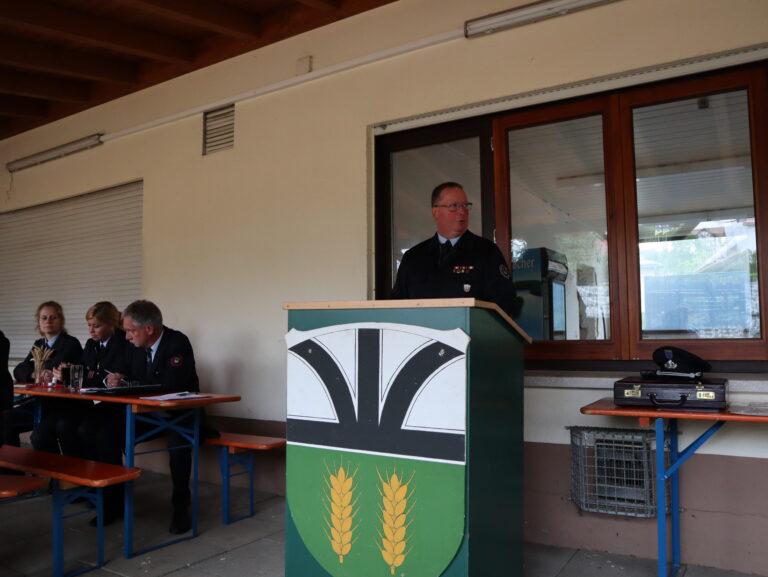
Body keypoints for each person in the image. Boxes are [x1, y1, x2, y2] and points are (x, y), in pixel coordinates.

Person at [106, 299, 199, 534]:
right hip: (146, 415)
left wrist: (130, 382)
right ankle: (114, 501)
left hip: (179, 414)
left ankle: (180, 506)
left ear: (148, 328)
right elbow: (122, 371)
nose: (127, 336)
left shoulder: (177, 342)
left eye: (130, 331)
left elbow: (170, 384)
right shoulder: (134, 346)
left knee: (179, 447)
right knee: (105, 433)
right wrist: (115, 378)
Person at [51, 302, 133, 525]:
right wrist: (64, 372)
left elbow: (108, 375)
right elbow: (82, 372)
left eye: (96, 326)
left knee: (94, 431)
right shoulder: (91, 344)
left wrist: (90, 376)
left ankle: (112, 499)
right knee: (64, 426)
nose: (91, 330)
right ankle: (83, 485)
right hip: (97, 403)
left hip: (119, 406)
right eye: (89, 325)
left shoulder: (124, 343)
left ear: (111, 324)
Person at [391, 181, 522, 317]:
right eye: (454, 206)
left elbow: (505, 305)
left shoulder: (487, 252)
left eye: (465, 205)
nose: (462, 211)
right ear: (435, 212)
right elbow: (396, 307)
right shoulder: (413, 258)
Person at [5, 302, 82, 448]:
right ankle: (12, 463)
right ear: (38, 322)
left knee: (40, 437)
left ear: (61, 320)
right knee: (5, 421)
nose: (48, 321)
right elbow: (20, 369)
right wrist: (34, 373)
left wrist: (40, 371)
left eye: (53, 317)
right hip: (39, 403)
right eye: (44, 318)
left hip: (61, 407)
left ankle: (51, 463)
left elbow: (52, 367)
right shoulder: (39, 344)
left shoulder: (70, 343)